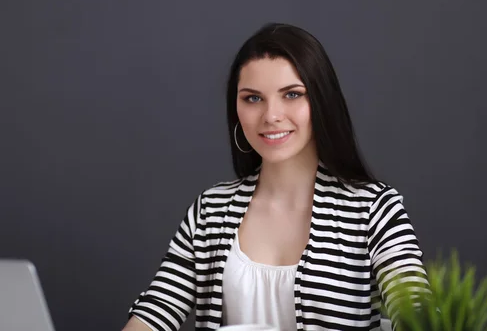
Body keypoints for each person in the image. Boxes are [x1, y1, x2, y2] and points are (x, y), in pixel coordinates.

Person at [123, 23, 429, 331]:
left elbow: (417, 313)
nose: (271, 116)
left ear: (322, 102)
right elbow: (154, 313)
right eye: (253, 98)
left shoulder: (374, 208)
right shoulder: (209, 211)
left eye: (292, 94)